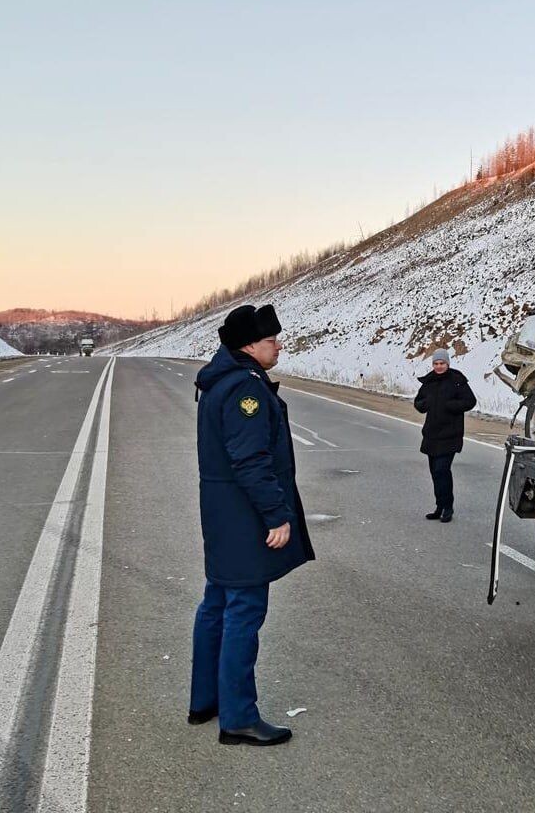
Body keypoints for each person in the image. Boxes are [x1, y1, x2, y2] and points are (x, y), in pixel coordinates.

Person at [189, 303, 315, 746]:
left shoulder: (218, 380)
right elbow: (251, 461)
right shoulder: (245, 390)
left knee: (216, 606)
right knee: (243, 612)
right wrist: (277, 516)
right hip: (244, 519)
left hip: (223, 516)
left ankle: (206, 700)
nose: (278, 346)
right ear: (248, 345)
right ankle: (239, 716)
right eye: (270, 341)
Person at [413, 348, 476, 522]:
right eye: (436, 363)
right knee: (435, 472)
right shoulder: (429, 381)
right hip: (432, 435)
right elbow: (418, 402)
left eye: (442, 363)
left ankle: (448, 507)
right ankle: (439, 506)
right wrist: (425, 404)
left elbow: (470, 401)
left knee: (442, 470)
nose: (439, 366)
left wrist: (452, 406)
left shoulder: (457, 380)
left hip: (450, 434)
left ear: (447, 364)